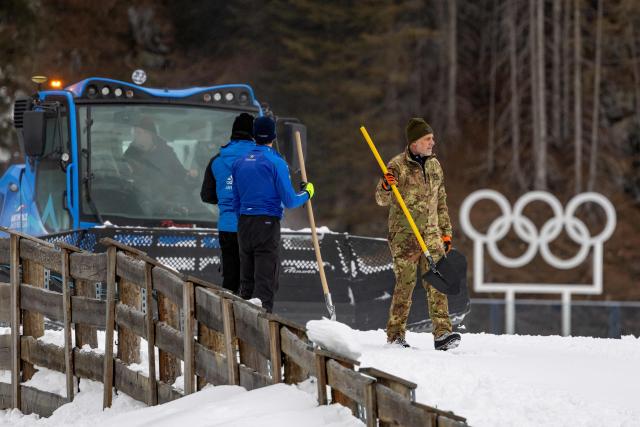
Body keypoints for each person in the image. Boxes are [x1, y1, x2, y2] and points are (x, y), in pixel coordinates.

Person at [375, 118, 461, 351]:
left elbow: (441, 201)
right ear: (414, 142)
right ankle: (395, 335)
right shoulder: (397, 165)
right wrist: (385, 185)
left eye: (432, 138)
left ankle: (443, 333)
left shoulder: (434, 166)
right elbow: (381, 200)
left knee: (437, 281)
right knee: (406, 284)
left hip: (431, 234)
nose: (433, 142)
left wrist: (446, 233)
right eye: (427, 139)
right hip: (405, 237)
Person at [231, 116, 314, 313]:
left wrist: (244, 221)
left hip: (244, 224)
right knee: (265, 283)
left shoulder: (239, 162)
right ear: (273, 136)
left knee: (246, 283)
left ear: (253, 135)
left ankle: (242, 330)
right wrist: (308, 192)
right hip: (266, 224)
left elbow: (235, 201)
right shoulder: (276, 162)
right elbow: (291, 200)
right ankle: (261, 334)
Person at [200, 113, 255, 293]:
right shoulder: (261, 159)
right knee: (251, 278)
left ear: (233, 133)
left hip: (227, 227)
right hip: (254, 226)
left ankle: (227, 317)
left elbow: (207, 195)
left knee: (231, 278)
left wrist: (225, 197)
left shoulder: (217, 160)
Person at [123, 115, 190, 210]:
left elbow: (179, 173)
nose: (134, 136)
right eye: (134, 133)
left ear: (149, 134)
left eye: (138, 133)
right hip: (141, 198)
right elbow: (125, 176)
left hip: (167, 197)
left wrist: (189, 175)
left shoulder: (166, 152)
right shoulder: (130, 154)